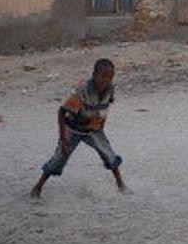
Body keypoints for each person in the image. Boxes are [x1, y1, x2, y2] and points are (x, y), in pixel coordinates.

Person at [30, 59, 126, 199]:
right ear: (94, 74)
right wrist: (63, 138)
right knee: (58, 159)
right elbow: (62, 111)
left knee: (109, 155)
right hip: (73, 129)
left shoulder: (110, 88)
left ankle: (121, 185)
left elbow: (107, 102)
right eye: (103, 76)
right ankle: (37, 187)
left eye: (110, 76)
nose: (106, 80)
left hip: (93, 129)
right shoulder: (82, 89)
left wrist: (100, 121)